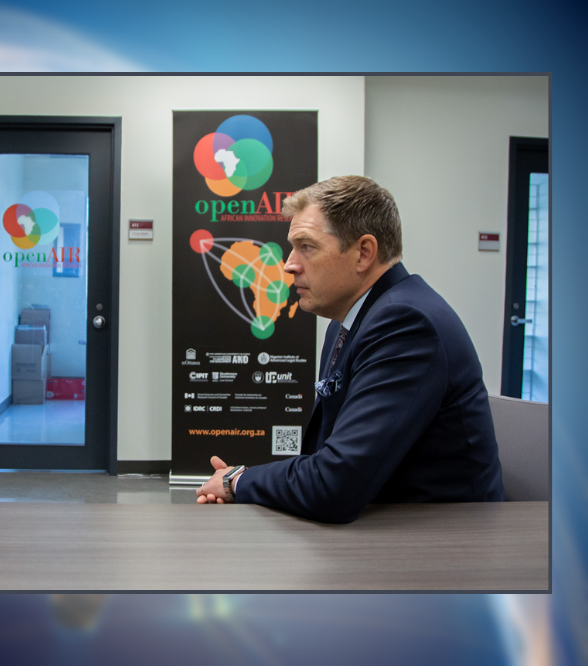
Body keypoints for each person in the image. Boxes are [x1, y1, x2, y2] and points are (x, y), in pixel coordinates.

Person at [196, 176, 504, 523]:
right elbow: (327, 459)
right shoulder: (352, 320)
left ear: (364, 253)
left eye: (307, 247)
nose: (289, 264)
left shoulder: (405, 325)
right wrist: (245, 481)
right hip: (385, 523)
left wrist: (237, 481)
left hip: (447, 541)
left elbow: (334, 484)